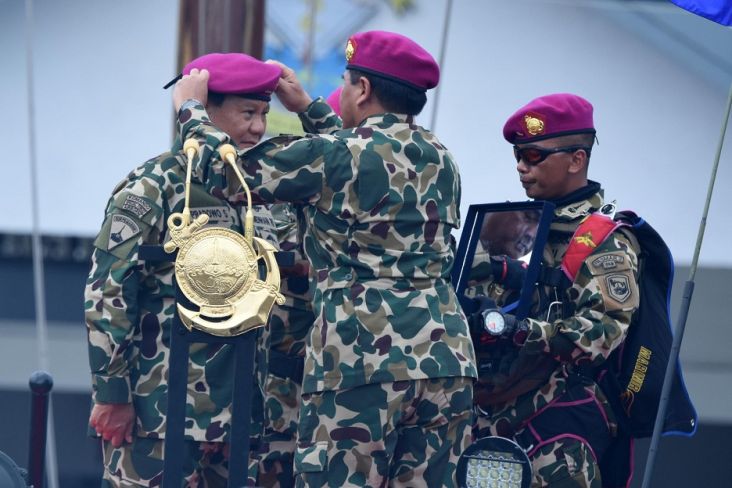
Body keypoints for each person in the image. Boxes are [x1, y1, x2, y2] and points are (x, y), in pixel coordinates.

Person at [172, 30, 477, 487]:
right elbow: (362, 161)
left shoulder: (340, 156)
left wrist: (192, 111)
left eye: (347, 80)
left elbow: (228, 174)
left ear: (363, 90)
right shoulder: (440, 156)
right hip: (446, 359)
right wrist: (308, 108)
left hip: (363, 357)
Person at [85, 52, 282, 487]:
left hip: (242, 420)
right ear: (203, 108)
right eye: (247, 112)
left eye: (265, 114)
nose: (258, 128)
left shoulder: (262, 194)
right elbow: (108, 292)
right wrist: (113, 393)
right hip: (158, 410)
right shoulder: (154, 185)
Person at [472, 93, 640, 486]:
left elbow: (605, 330)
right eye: (518, 155)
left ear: (576, 159)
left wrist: (521, 330)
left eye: (533, 156)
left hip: (555, 426)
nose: (521, 167)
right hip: (488, 416)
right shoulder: (513, 226)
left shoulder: (605, 241)